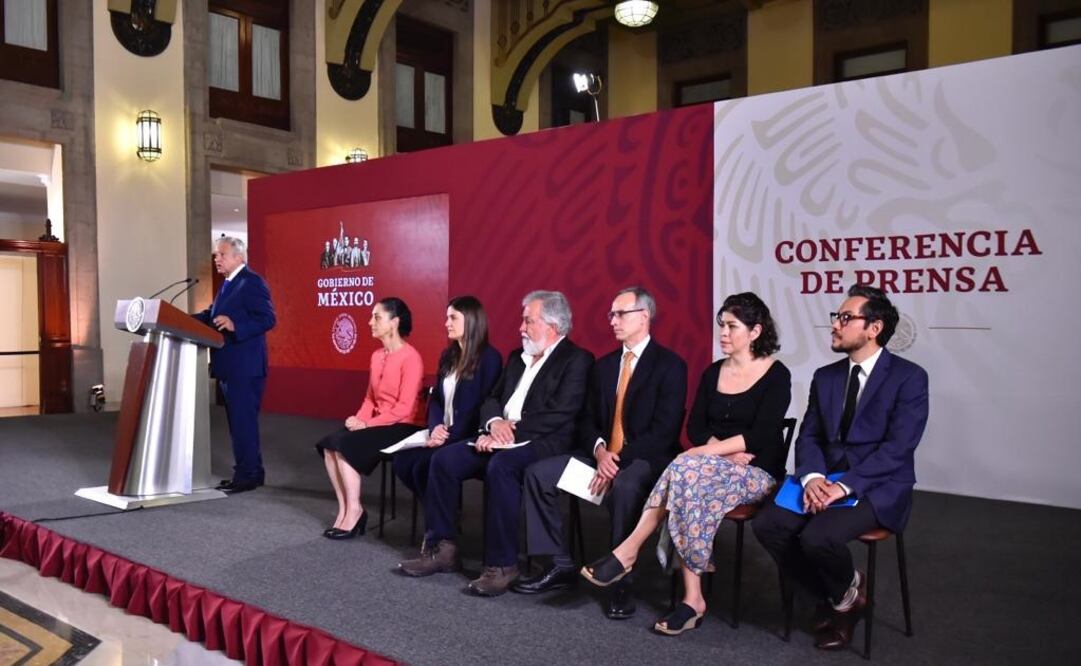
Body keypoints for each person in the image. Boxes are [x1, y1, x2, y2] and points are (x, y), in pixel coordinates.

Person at [581, 292, 791, 636]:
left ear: (755, 332)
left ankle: (632, 554)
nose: (722, 332)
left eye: (732, 326)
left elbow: (763, 435)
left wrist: (707, 453)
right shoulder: (713, 373)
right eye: (721, 325)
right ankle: (691, 599)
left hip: (756, 472)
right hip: (707, 468)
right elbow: (695, 428)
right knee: (685, 474)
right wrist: (717, 453)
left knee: (682, 467)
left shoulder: (776, 374)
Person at [752, 284, 928, 651]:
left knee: (818, 537)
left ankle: (838, 602)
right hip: (823, 477)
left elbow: (898, 448)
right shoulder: (826, 376)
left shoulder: (909, 378)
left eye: (846, 318)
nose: (835, 324)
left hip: (878, 484)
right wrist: (814, 478)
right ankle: (843, 596)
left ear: (873, 328)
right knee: (768, 525)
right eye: (837, 317)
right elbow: (809, 436)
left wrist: (844, 486)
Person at [398, 290, 593, 597]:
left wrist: (511, 432)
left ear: (551, 325)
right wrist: (494, 424)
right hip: (499, 435)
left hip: (543, 441)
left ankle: (502, 565)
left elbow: (562, 413)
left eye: (528, 320)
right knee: (444, 460)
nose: (521, 327)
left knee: (502, 467)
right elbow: (491, 399)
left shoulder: (577, 360)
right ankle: (442, 548)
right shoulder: (518, 357)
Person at [514, 287, 687, 621]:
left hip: (645, 460)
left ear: (644, 316)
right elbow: (587, 420)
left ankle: (621, 578)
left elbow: (664, 432)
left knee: (624, 485)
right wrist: (600, 450)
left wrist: (616, 459)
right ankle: (558, 563)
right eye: (611, 314)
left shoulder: (670, 366)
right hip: (602, 456)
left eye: (620, 314)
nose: (613, 321)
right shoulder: (605, 366)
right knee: (538, 473)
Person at [315, 297, 424, 539]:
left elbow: (404, 409)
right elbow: (370, 399)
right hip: (377, 422)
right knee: (329, 444)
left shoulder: (411, 358)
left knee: (345, 445)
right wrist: (358, 419)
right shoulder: (377, 356)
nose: (369, 322)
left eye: (376, 317)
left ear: (394, 322)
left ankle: (354, 510)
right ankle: (345, 509)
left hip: (402, 425)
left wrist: (367, 424)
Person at [392, 296, 503, 533]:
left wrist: (448, 436)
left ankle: (442, 529)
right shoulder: (448, 356)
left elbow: (483, 407)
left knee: (426, 464)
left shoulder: (490, 359)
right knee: (403, 461)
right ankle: (444, 514)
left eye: (453, 317)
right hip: (442, 433)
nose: (446, 323)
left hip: (467, 435)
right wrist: (435, 428)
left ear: (471, 321)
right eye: (447, 317)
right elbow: (437, 400)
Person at [194, 236, 277, 494]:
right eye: (216, 255)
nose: (216, 258)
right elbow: (210, 315)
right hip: (230, 367)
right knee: (239, 424)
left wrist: (236, 326)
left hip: (246, 368)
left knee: (243, 423)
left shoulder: (251, 282)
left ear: (238, 257)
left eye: (221, 254)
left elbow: (268, 319)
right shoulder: (228, 284)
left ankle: (248, 475)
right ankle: (251, 471)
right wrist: (174, 317)